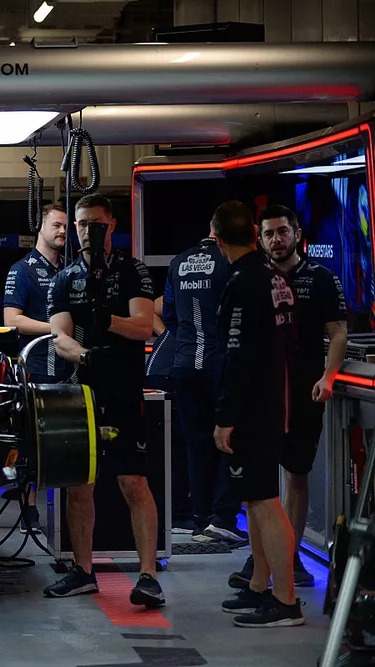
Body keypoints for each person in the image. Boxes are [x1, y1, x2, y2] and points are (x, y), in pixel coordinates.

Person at [45, 194, 164, 607]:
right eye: (80, 224)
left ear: (111, 224)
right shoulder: (65, 277)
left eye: (95, 223)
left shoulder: (133, 270)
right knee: (80, 485)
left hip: (125, 388)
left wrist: (107, 321)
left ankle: (149, 575)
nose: (86, 231)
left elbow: (145, 326)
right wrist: (87, 356)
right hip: (81, 392)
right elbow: (58, 337)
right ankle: (82, 570)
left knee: (133, 481)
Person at [228, 204, 347, 590]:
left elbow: (339, 332)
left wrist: (328, 377)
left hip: (303, 391)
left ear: (296, 233)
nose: (276, 240)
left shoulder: (321, 277)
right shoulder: (252, 279)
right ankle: (261, 560)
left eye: (282, 232)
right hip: (262, 395)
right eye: (268, 234)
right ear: (258, 239)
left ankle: (290, 558)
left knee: (295, 474)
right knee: (258, 484)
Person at [211, 200, 303, 628]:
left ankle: (286, 602)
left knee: (265, 502)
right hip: (276, 399)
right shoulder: (275, 276)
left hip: (255, 408)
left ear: (215, 237)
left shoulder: (244, 280)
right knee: (254, 498)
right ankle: (259, 586)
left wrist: (226, 415)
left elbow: (238, 354)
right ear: (253, 233)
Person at [162, 233, 244, 544]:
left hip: (184, 363)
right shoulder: (227, 261)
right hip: (219, 362)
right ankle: (222, 516)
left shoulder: (178, 261)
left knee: (196, 443)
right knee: (229, 438)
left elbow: (169, 314)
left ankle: (199, 518)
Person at [3, 203, 70, 534]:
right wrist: (55, 328)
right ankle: (28, 510)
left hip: (69, 368)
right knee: (31, 442)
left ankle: (68, 510)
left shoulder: (72, 270)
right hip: (36, 367)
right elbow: (11, 320)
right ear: (41, 228)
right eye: (56, 225)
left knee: (67, 442)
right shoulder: (22, 269)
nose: (61, 231)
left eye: (65, 227)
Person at [145, 297, 192, 534]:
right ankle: (177, 514)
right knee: (177, 445)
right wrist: (168, 335)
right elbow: (151, 308)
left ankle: (175, 512)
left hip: (165, 365)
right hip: (170, 370)